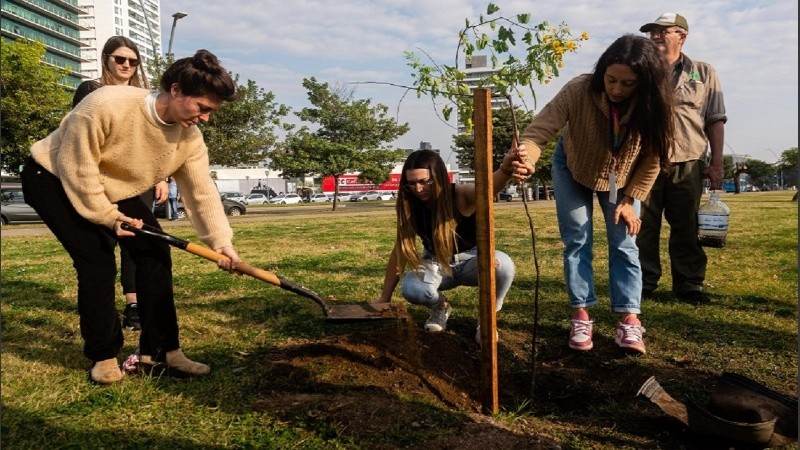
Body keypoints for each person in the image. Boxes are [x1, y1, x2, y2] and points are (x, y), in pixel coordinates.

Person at [22, 49, 240, 385]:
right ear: (177, 90)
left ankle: (162, 352)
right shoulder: (107, 104)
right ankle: (103, 356)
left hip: (109, 185)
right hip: (52, 176)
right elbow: (77, 168)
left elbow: (201, 192)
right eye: (203, 108)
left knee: (154, 251)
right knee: (96, 257)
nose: (206, 118)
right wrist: (108, 218)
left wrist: (221, 243)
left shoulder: (189, 138)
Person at [518, 34, 674, 355]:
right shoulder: (579, 89)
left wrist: (630, 199)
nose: (616, 89)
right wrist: (526, 158)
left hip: (622, 178)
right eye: (611, 79)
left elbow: (653, 157)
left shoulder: (654, 106)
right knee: (577, 237)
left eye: (627, 83)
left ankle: (629, 318)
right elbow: (539, 129)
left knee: (625, 242)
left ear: (644, 83)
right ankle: (581, 313)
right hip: (573, 166)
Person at [373, 149, 531, 344]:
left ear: (438, 177)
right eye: (412, 183)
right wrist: (384, 298)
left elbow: (486, 189)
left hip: (474, 261)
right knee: (412, 289)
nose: (418, 189)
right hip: (436, 263)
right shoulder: (411, 203)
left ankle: (488, 317)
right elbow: (401, 250)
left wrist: (505, 169)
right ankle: (441, 307)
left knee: (505, 266)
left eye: (424, 182)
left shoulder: (460, 195)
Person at [72, 36, 169, 331]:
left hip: (137, 179)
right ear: (106, 59)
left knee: (134, 240)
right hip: (101, 179)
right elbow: (81, 136)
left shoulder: (145, 96)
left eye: (133, 61)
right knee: (101, 244)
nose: (127, 65)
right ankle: (100, 311)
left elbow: (154, 141)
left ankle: (133, 304)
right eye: (120, 59)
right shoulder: (91, 90)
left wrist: (161, 176)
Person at [637, 13, 727, 303]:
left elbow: (715, 119)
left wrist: (716, 162)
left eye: (664, 31)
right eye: (653, 32)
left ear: (682, 36)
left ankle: (689, 285)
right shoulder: (641, 70)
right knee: (642, 227)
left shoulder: (703, 71)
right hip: (645, 160)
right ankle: (643, 284)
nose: (656, 36)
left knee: (687, 226)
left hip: (688, 161)